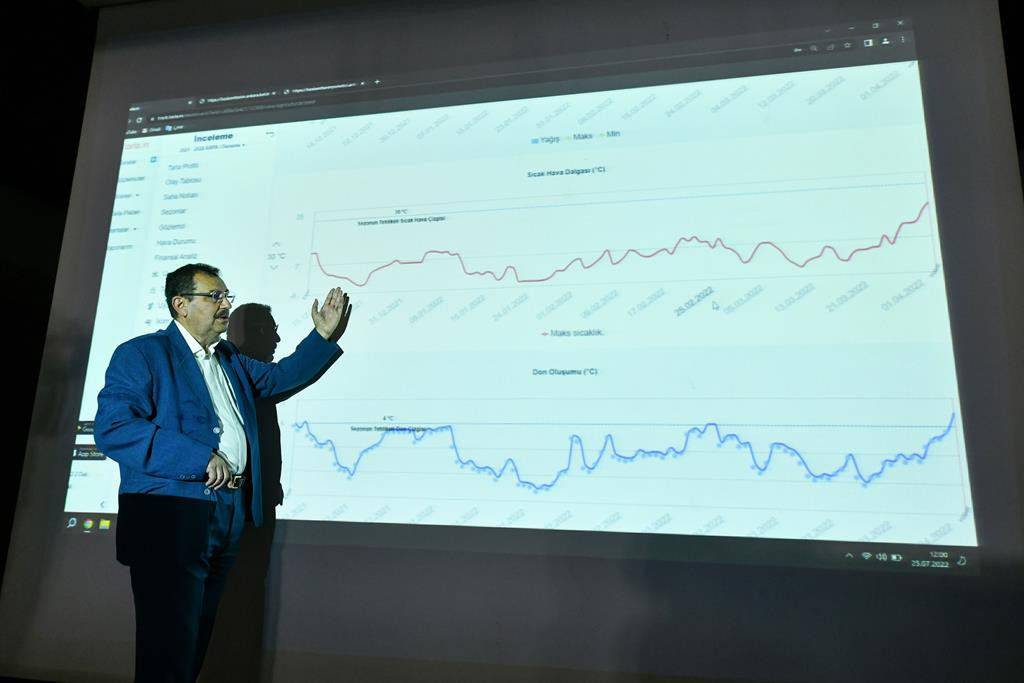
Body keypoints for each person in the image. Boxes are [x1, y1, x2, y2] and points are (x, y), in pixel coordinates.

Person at [94, 263, 351, 682]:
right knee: (168, 647)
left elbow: (278, 379)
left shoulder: (227, 358)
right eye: (215, 296)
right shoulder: (142, 353)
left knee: (194, 641)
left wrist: (321, 335)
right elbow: (115, 429)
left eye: (227, 296)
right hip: (169, 515)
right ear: (181, 304)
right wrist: (198, 458)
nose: (225, 304)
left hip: (227, 512)